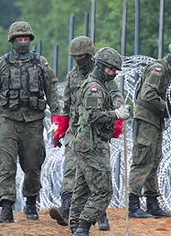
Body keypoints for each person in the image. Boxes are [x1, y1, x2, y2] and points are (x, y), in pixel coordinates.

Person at [0, 21, 65, 223]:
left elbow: (52, 93)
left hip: (33, 122)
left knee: (33, 165)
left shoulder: (40, 64)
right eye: (19, 39)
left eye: (25, 39)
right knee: (6, 165)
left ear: (30, 40)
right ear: (12, 41)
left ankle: (31, 203)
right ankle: (6, 208)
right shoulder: (2, 65)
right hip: (8, 121)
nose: (22, 42)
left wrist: (58, 119)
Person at [49, 36, 120, 231]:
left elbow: (116, 98)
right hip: (76, 130)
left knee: (94, 178)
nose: (79, 59)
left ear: (90, 55)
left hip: (95, 132)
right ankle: (66, 210)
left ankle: (99, 217)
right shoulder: (72, 76)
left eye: (82, 56)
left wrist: (117, 120)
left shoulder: (103, 75)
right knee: (74, 170)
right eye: (76, 56)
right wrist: (60, 129)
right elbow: (67, 104)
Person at [128, 37, 171, 218]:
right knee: (142, 160)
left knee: (154, 160)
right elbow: (147, 95)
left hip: (155, 121)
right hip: (146, 121)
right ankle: (132, 204)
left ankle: (152, 203)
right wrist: (168, 108)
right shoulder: (159, 70)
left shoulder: (169, 72)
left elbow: (166, 99)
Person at [69, 47, 131, 235]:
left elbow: (114, 96)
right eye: (111, 69)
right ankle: (83, 226)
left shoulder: (101, 85)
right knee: (103, 190)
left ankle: (75, 227)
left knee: (82, 187)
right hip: (92, 144)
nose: (113, 73)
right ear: (102, 67)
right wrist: (116, 114)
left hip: (88, 142)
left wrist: (119, 108)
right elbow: (92, 116)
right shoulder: (94, 87)